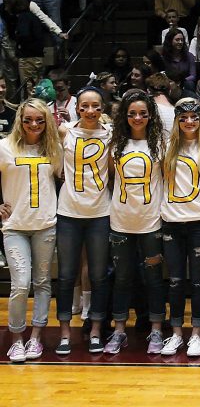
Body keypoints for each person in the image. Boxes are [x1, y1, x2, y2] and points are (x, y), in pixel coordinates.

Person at [103, 89, 165, 355]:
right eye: (132, 114)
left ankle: (157, 330)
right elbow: (106, 179)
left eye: (142, 113)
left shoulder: (161, 144)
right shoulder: (115, 143)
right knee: (122, 279)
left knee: (153, 279)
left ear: (150, 115)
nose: (137, 118)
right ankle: (119, 331)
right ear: (124, 117)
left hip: (151, 222)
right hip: (120, 222)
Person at [1, 99, 61, 362]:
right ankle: (16, 339)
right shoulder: (4, 146)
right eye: (28, 120)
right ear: (20, 120)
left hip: (45, 224)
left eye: (39, 119)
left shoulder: (54, 148)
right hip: (15, 226)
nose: (34, 124)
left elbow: (66, 179)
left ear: (46, 120)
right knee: (20, 284)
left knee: (42, 283)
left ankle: (36, 337)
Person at [55, 87, 112, 355]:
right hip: (68, 213)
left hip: (100, 212)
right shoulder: (65, 131)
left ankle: (96, 330)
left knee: (99, 275)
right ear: (78, 107)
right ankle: (65, 333)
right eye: (85, 106)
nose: (90, 111)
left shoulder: (111, 134)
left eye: (96, 106)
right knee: (66, 275)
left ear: (103, 108)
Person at [160, 98, 200, 357]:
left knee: (198, 281)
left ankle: (196, 334)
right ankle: (176, 333)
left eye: (194, 117)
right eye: (183, 118)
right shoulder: (165, 146)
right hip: (171, 220)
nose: (189, 122)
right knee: (174, 281)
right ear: (177, 120)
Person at [161, 28, 196, 95]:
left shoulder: (189, 56)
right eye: (177, 40)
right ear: (170, 41)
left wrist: (181, 81)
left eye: (182, 40)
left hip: (185, 84)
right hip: (169, 84)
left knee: (190, 84)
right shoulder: (164, 57)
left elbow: (193, 75)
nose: (180, 42)